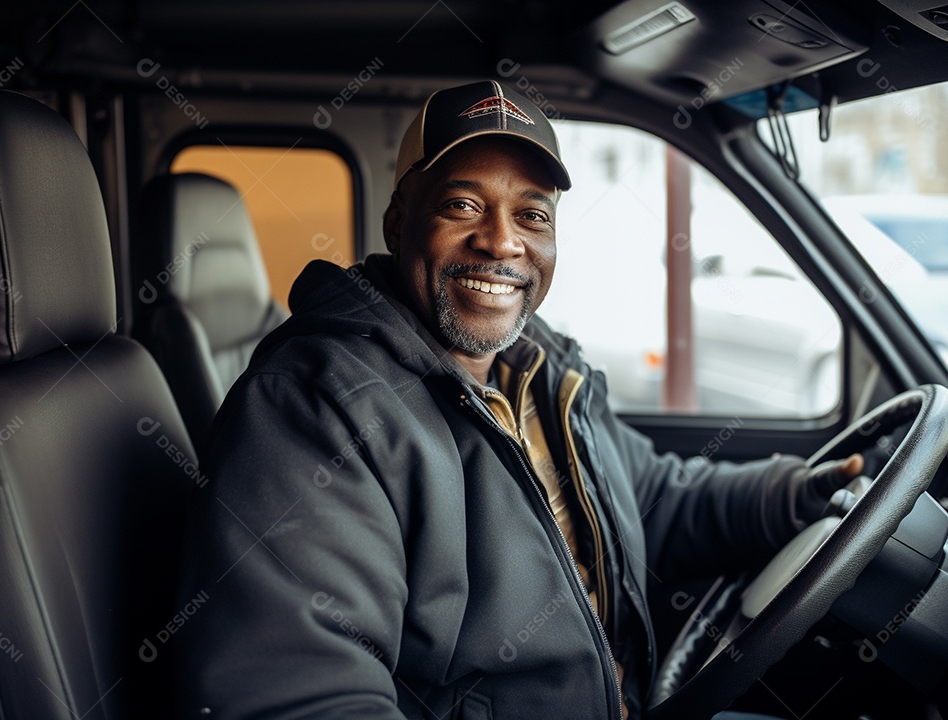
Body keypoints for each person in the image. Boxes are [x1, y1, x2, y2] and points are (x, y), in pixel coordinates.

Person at [174, 80, 863, 720]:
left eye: (531, 213)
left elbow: (654, 497)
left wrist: (796, 496)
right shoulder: (315, 409)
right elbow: (302, 697)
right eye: (462, 205)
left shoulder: (540, 366)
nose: (502, 240)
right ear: (398, 221)